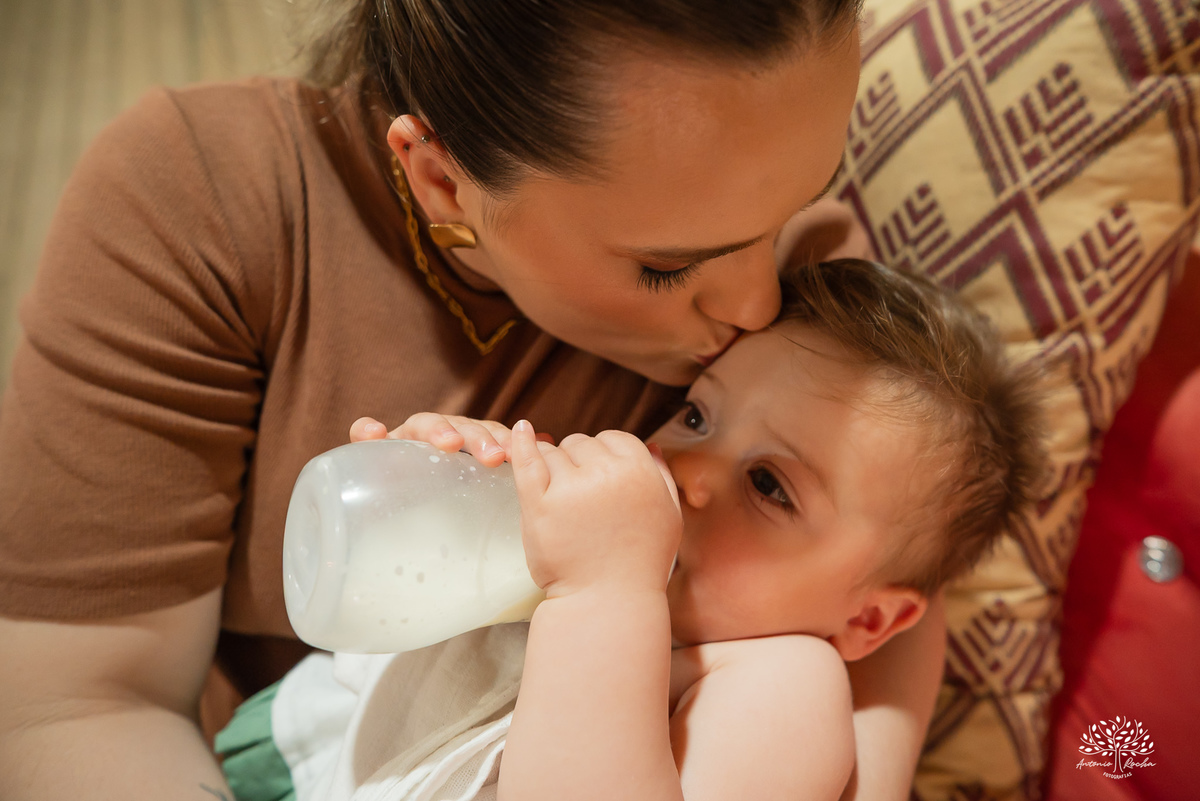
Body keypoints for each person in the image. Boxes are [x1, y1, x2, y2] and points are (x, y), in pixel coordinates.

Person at [0, 3, 943, 799]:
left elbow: (890, 561)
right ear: (442, 177)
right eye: (669, 264)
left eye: (792, 206)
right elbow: (79, 702)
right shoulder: (211, 205)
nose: (759, 306)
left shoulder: (792, 300)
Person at [216, 259, 1046, 801]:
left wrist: (603, 592)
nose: (685, 470)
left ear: (868, 621)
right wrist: (447, 475)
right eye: (696, 415)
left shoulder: (784, 687)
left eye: (769, 484)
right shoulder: (601, 547)